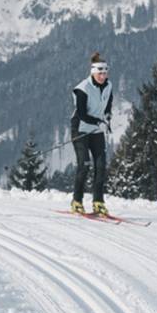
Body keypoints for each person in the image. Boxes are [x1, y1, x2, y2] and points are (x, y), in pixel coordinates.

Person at [68, 53, 113, 215]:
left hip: (96, 131)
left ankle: (98, 202)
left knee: (101, 166)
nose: (102, 76)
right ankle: (77, 200)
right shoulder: (83, 88)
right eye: (100, 73)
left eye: (105, 73)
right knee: (85, 164)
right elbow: (81, 113)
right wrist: (98, 122)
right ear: (93, 73)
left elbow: (108, 105)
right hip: (80, 128)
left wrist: (107, 118)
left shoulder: (109, 86)